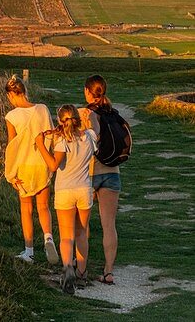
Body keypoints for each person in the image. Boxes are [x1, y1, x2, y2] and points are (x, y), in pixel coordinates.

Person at [35, 105, 97, 295]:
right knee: (81, 233)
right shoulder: (89, 137)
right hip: (84, 189)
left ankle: (68, 267)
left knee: (66, 236)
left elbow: (53, 166)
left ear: (61, 121)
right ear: (78, 119)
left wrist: (40, 144)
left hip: (65, 191)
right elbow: (96, 131)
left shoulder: (62, 142)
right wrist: (91, 118)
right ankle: (82, 272)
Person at [81, 74, 130, 286]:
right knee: (109, 224)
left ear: (87, 91)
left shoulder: (88, 113)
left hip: (92, 172)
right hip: (113, 172)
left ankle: (81, 265)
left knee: (83, 223)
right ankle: (108, 271)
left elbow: (94, 135)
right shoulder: (113, 112)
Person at [4, 75, 59, 264]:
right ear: (24, 91)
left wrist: (10, 174)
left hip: (23, 166)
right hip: (42, 163)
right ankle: (48, 238)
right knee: (43, 206)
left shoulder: (12, 116)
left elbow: (12, 146)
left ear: (12, 94)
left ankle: (29, 251)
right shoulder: (42, 109)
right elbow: (51, 135)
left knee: (26, 208)